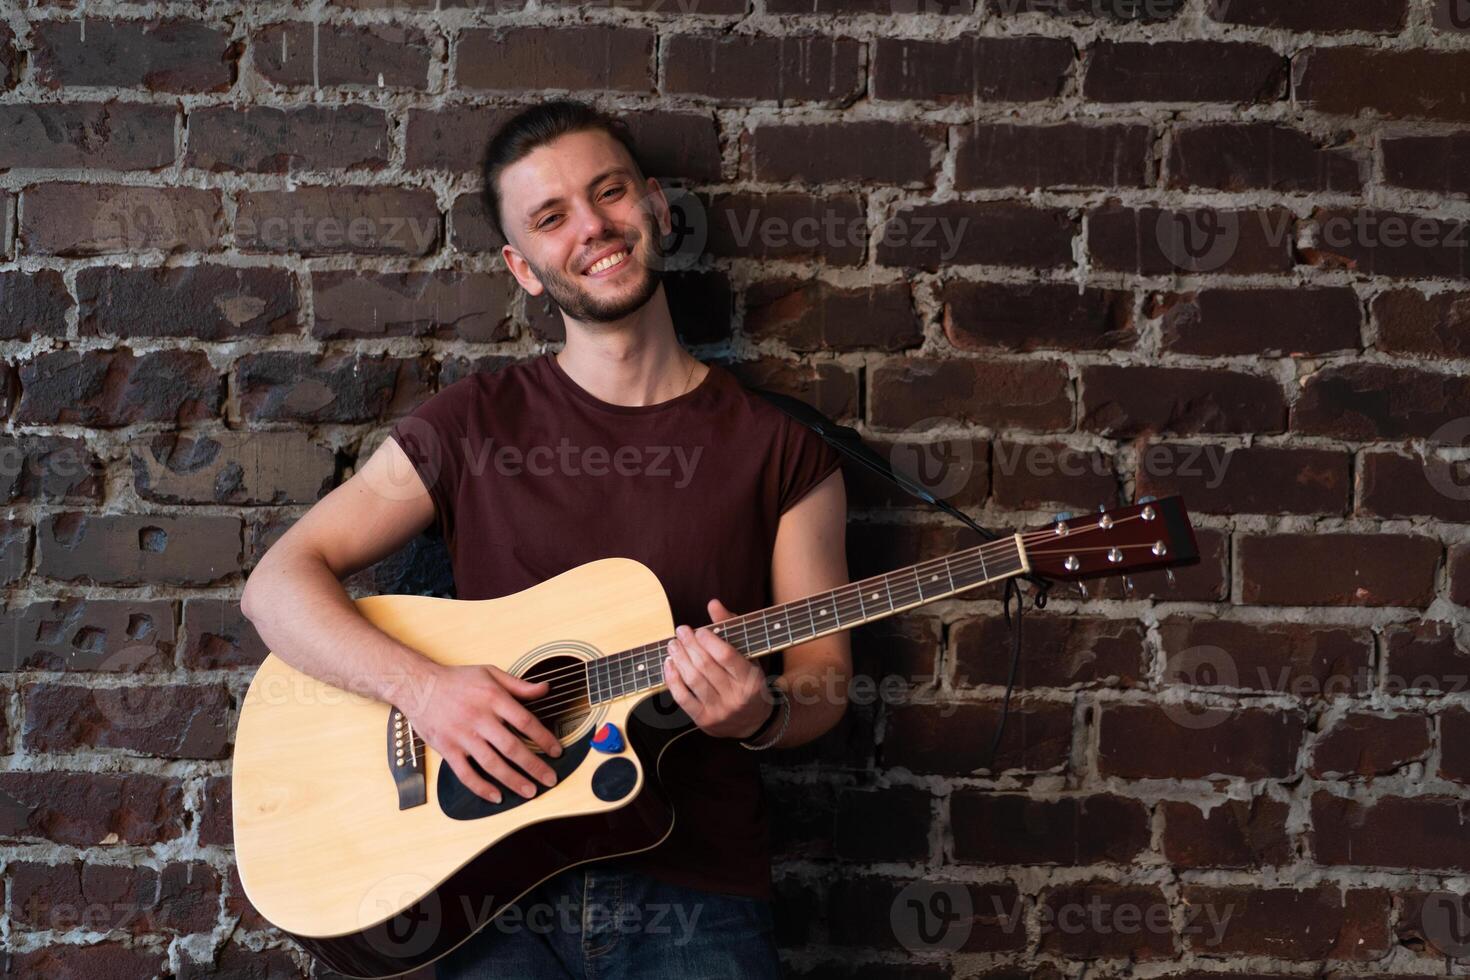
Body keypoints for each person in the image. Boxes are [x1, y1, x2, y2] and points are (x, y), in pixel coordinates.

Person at [239, 98, 852, 979]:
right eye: (552, 217)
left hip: (698, 893)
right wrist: (425, 692)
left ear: (657, 207)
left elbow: (824, 682)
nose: (594, 228)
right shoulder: (472, 424)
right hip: (487, 890)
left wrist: (761, 715)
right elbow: (277, 585)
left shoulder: (783, 451)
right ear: (522, 267)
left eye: (609, 193)